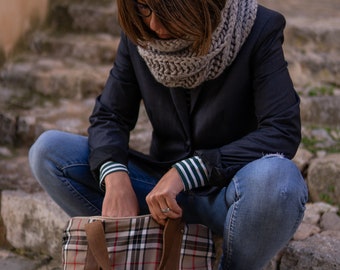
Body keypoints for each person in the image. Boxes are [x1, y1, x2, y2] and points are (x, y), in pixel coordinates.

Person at [29, 0, 308, 269]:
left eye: (166, 9)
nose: (153, 24)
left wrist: (187, 172)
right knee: (48, 151)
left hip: (230, 195)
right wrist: (114, 177)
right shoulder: (139, 36)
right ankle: (129, 243)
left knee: (279, 179)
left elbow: (281, 129)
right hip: (157, 199)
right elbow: (110, 116)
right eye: (143, 7)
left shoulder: (258, 27)